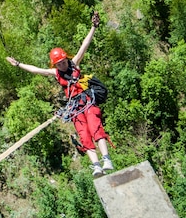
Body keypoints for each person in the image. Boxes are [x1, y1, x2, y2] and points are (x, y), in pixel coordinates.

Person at [6, 11, 113, 177]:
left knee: (95, 128)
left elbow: (84, 45)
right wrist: (18, 64)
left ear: (66, 59)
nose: (62, 65)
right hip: (75, 107)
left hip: (87, 101)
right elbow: (36, 70)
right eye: (58, 63)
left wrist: (93, 27)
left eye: (63, 61)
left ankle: (106, 159)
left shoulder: (75, 64)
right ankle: (96, 166)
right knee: (84, 135)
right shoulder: (56, 73)